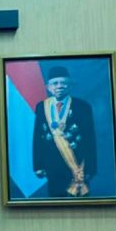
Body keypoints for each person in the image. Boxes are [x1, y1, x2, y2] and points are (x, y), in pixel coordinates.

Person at [31, 66, 97, 198]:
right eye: (55, 83)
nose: (59, 86)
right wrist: (38, 165)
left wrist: (90, 168)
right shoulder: (41, 107)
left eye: (63, 82)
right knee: (56, 202)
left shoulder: (83, 107)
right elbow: (37, 138)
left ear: (70, 85)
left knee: (81, 204)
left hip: (77, 165)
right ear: (48, 87)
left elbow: (90, 139)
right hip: (52, 165)